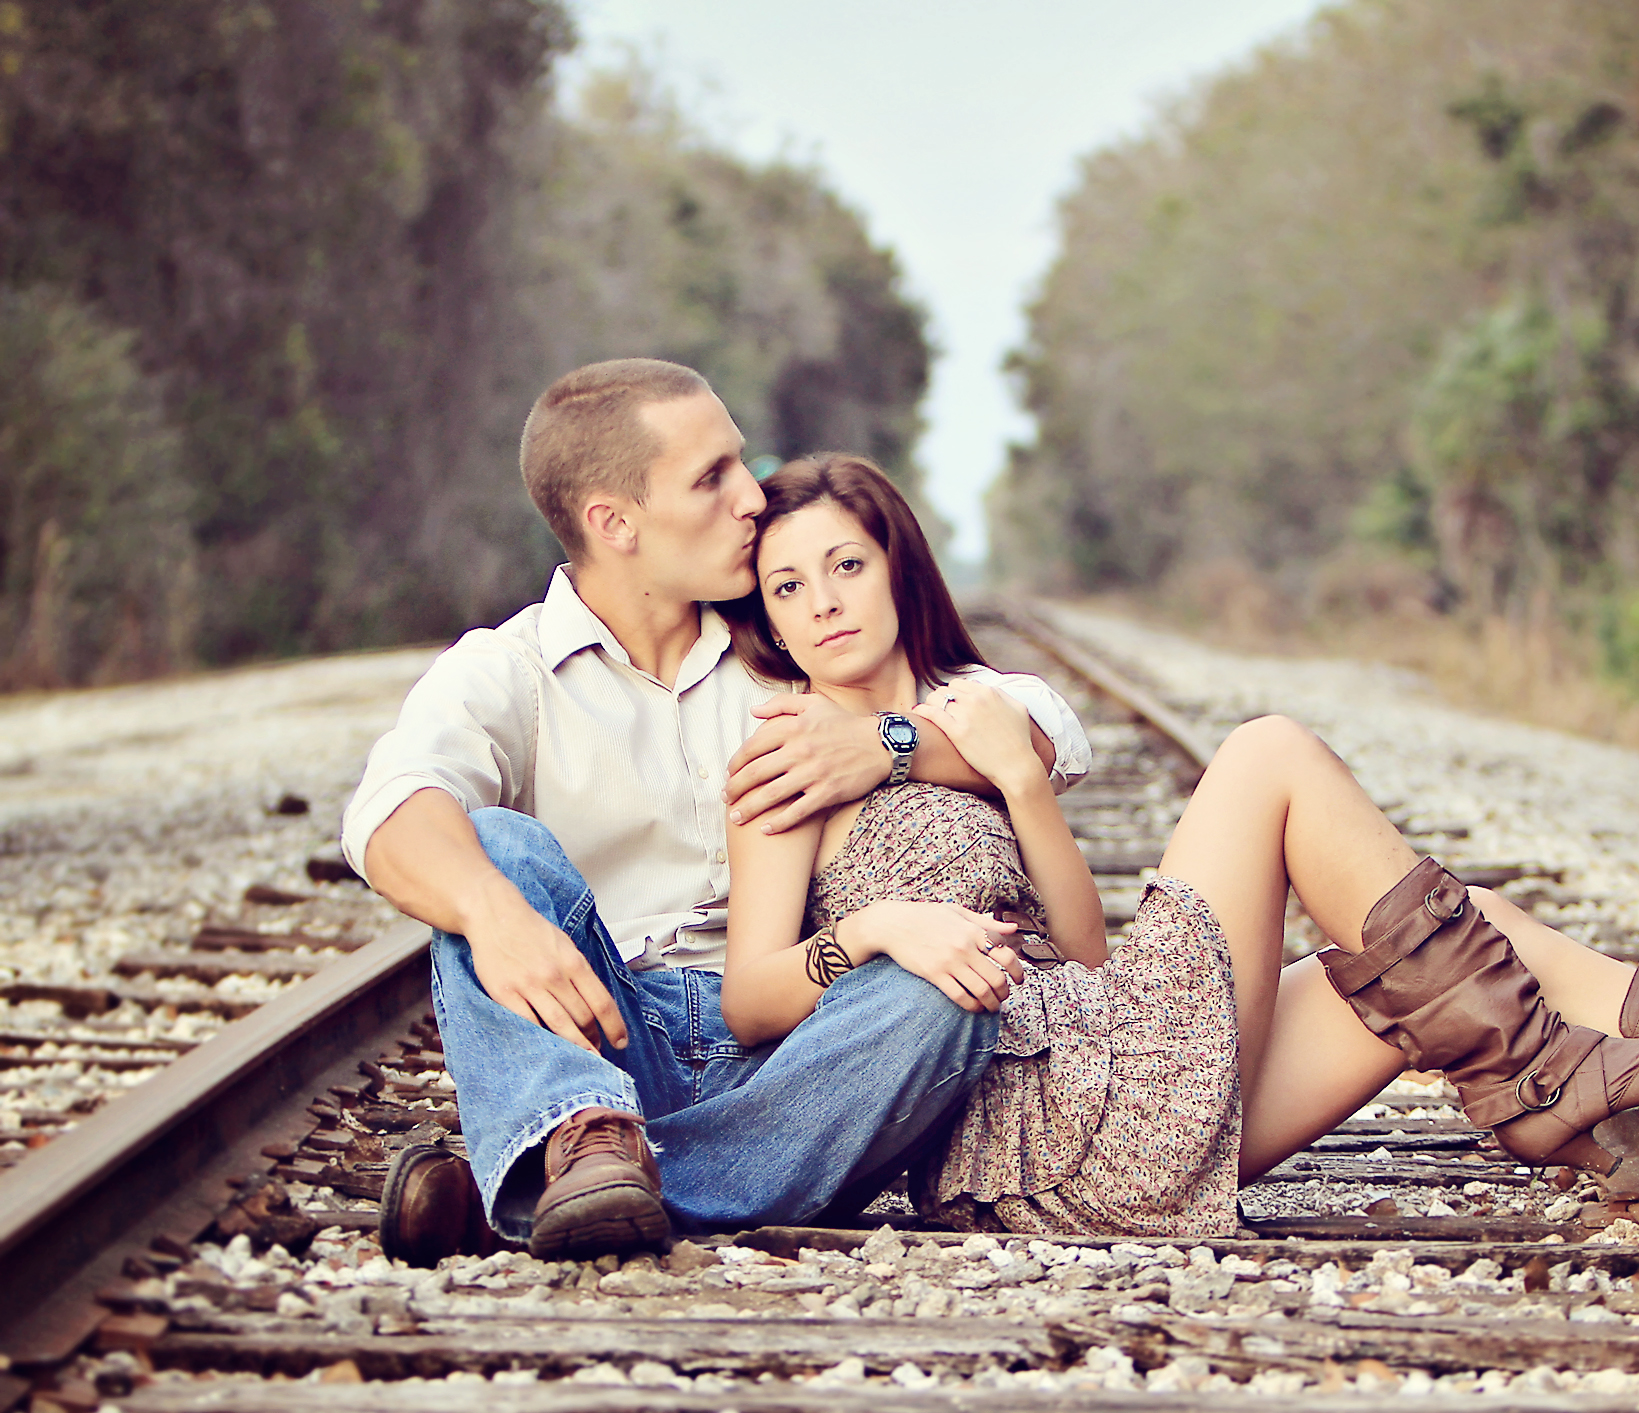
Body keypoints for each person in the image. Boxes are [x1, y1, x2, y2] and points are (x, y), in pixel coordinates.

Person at [725, 452, 1639, 1237]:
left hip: (1105, 1066)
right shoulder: (780, 760)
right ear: (767, 619)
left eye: (843, 565)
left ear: (894, 562)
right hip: (1027, 1134)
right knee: (1270, 752)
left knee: (1477, 934)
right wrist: (876, 930)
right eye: (789, 586)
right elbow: (748, 999)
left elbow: (1075, 951)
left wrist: (1022, 779)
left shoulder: (979, 713)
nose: (823, 602)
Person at [344, 359, 1093, 1263]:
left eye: (741, 463)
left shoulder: (785, 637)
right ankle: (590, 1140)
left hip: (802, 1044)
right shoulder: (511, 671)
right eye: (712, 478)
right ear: (613, 522)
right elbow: (390, 812)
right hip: (604, 1031)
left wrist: (888, 742)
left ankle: (551, 1191)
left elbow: (1039, 725)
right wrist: (492, 915)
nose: (751, 498)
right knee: (489, 848)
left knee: (955, 989)